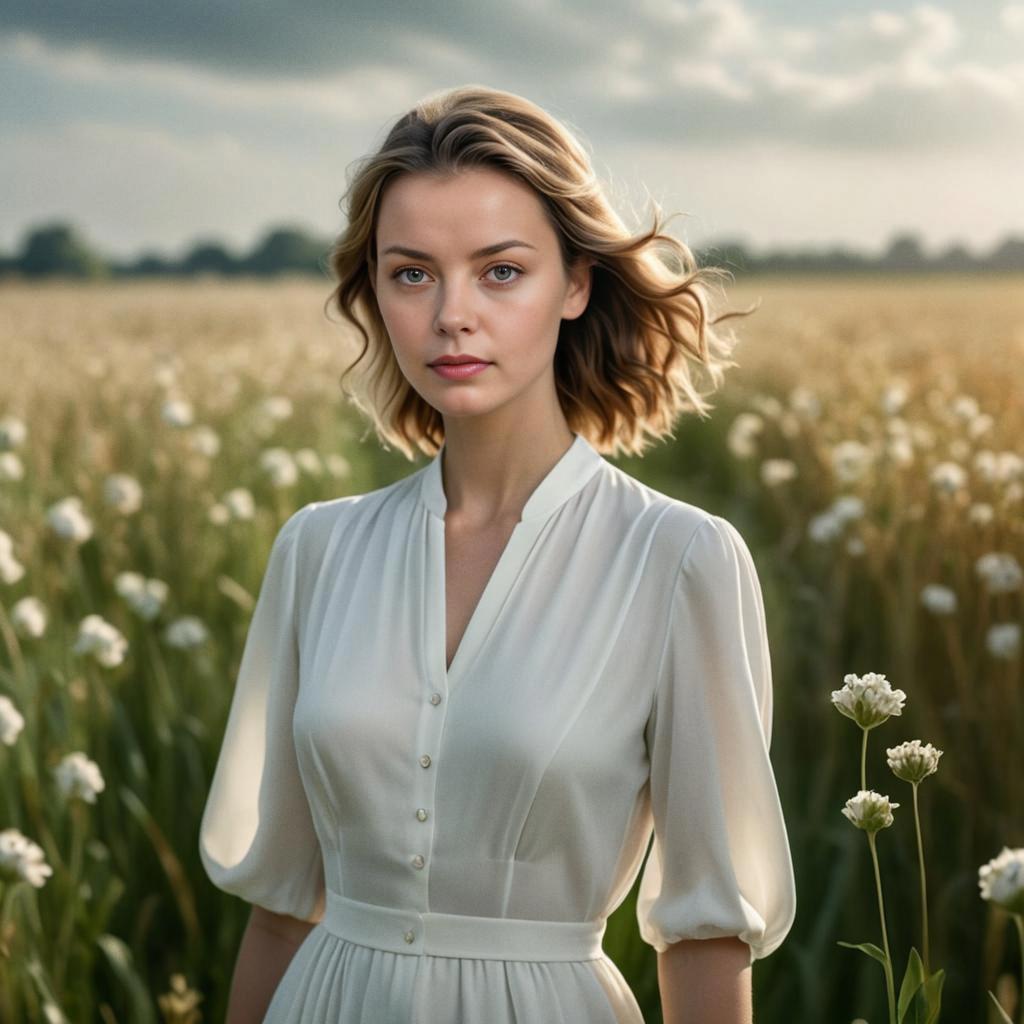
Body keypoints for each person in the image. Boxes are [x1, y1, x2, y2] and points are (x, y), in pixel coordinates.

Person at [198, 84, 797, 1024]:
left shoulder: (679, 559)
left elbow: (706, 939)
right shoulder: (316, 549)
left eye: (501, 271)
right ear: (377, 297)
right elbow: (281, 909)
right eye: (412, 273)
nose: (451, 315)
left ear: (577, 283)